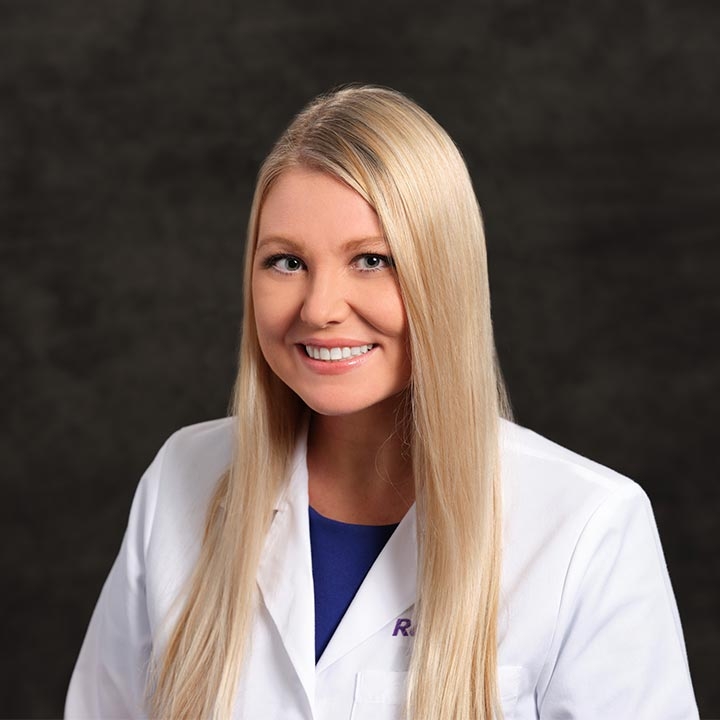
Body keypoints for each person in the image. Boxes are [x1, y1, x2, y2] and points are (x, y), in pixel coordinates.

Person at [65, 85, 698, 720]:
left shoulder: (589, 526)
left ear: (444, 276)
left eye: (372, 260)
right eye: (286, 262)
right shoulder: (181, 476)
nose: (320, 309)